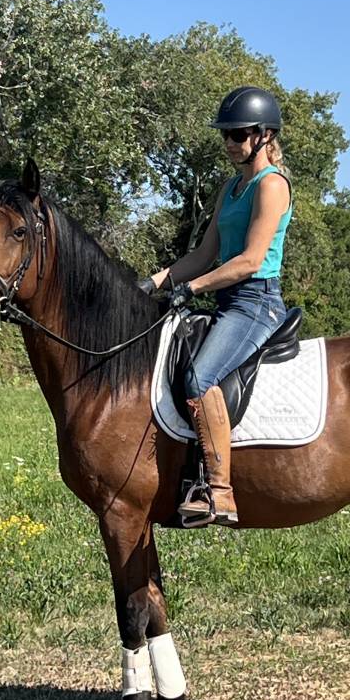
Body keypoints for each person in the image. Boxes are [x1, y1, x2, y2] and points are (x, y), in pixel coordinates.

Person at [146, 86, 293, 526]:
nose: (231, 142)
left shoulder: (272, 186)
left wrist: (192, 290)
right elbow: (203, 255)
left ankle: (220, 493)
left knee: (198, 377)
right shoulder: (230, 188)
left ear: (265, 136)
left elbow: (249, 261)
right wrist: (153, 282)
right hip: (228, 299)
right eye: (226, 134)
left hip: (257, 303)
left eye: (240, 133)